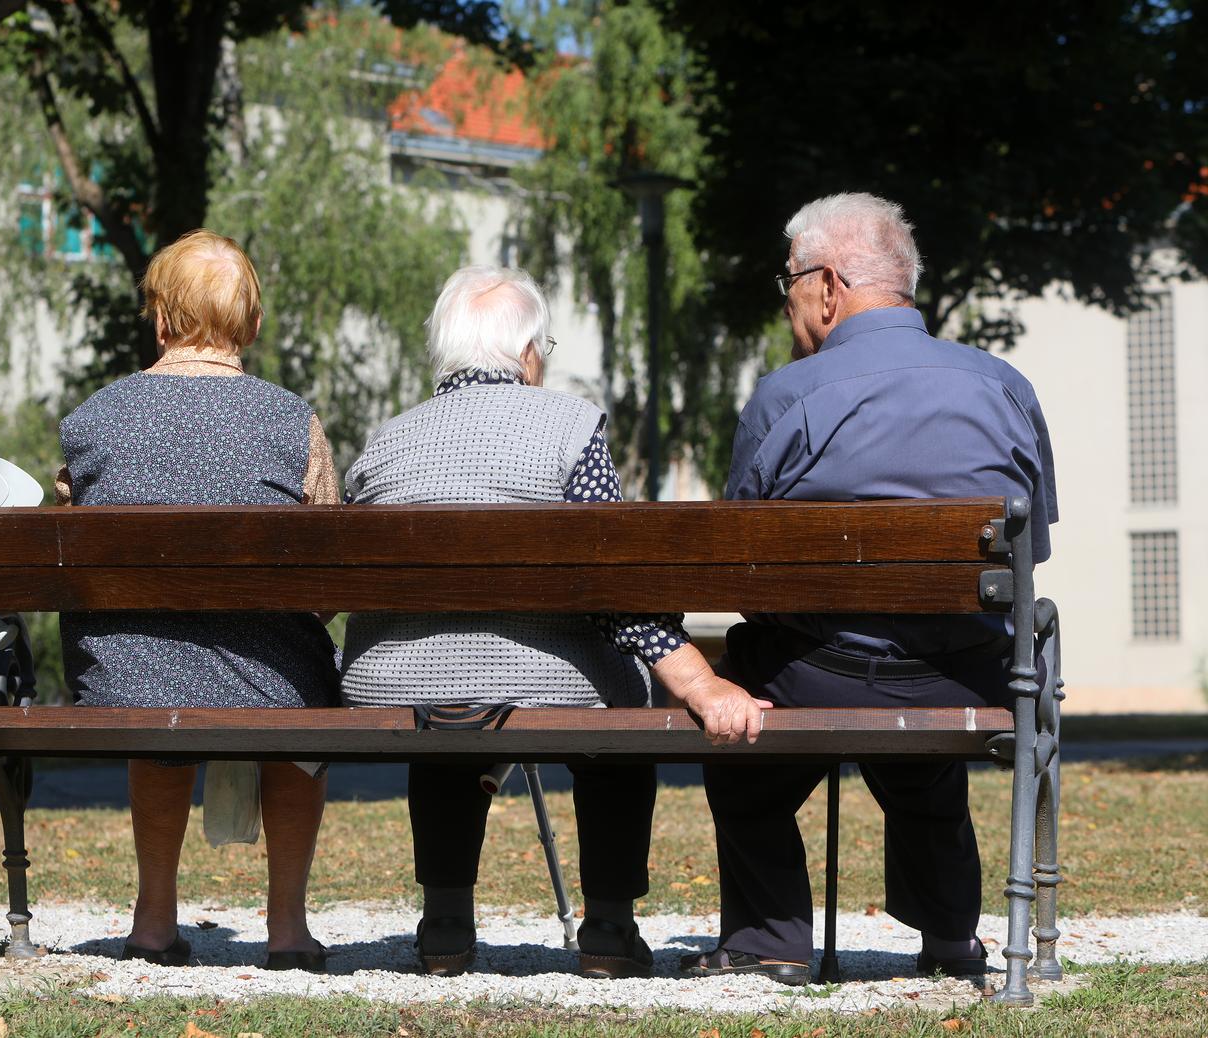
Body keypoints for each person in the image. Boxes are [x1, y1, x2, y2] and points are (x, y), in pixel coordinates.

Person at [341, 265, 770, 979]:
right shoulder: (571, 425)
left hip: (393, 681)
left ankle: (445, 920)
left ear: (447, 350)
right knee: (618, 709)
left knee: (445, 690)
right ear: (530, 352)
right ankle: (606, 926)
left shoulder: (387, 440)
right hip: (551, 679)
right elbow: (614, 579)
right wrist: (695, 679)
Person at [683, 193, 1058, 986]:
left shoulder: (787, 397)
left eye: (787, 285)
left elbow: (737, 565)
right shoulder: (1006, 387)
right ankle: (951, 937)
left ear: (824, 284)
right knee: (921, 735)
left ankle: (769, 940)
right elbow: (1036, 549)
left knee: (749, 717)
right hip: (967, 672)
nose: (788, 305)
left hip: (814, 669)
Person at [57, 230, 338, 972]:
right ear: (250, 326)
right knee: (298, 687)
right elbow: (329, 573)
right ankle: (287, 929)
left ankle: (152, 922)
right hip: (275, 681)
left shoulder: (92, 421)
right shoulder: (292, 421)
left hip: (129, 681)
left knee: (155, 666)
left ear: (160, 321)